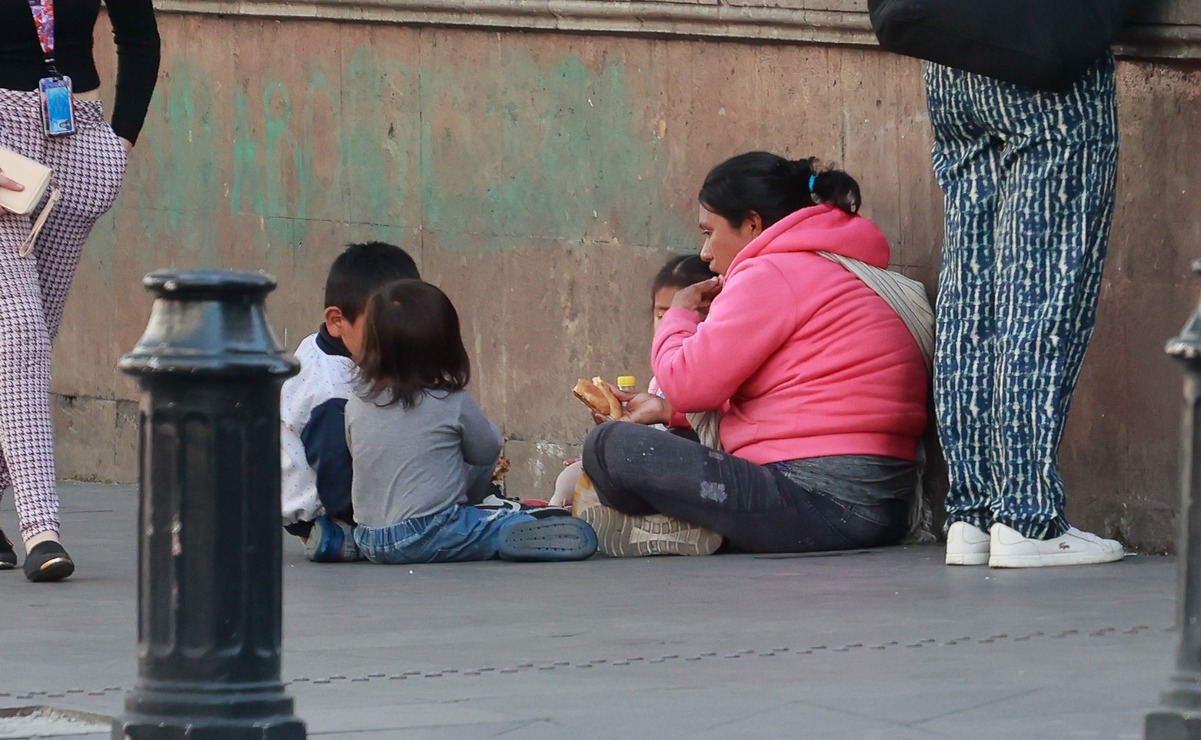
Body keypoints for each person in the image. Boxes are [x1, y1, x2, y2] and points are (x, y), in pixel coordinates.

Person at [579, 151, 929, 555]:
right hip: (881, 509)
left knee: (610, 447)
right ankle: (692, 527)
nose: (705, 253)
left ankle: (674, 525)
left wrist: (680, 313)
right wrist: (667, 412)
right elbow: (788, 394)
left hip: (821, 504)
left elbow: (688, 384)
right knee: (672, 435)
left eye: (709, 232)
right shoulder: (841, 267)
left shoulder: (771, 272)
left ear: (751, 224)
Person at [926, 56, 1126, 568]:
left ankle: (971, 517)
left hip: (950, 60)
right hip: (1043, 61)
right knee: (1041, 286)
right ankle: (1025, 518)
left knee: (973, 293)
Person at [0, 0, 160, 581]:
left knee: (33, 333)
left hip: (77, 144)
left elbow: (138, 35)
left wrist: (120, 143)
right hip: (0, 144)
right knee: (22, 338)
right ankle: (42, 530)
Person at [347, 279, 598, 564]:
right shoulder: (450, 401)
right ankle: (511, 524)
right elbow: (487, 450)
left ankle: (340, 542)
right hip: (430, 531)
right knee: (486, 522)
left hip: (368, 537)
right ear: (445, 346)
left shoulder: (356, 401)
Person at [281, 242, 430, 562]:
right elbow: (335, 476)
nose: (397, 339)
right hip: (325, 504)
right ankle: (339, 534)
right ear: (336, 320)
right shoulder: (331, 392)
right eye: (384, 329)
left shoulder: (327, 344)